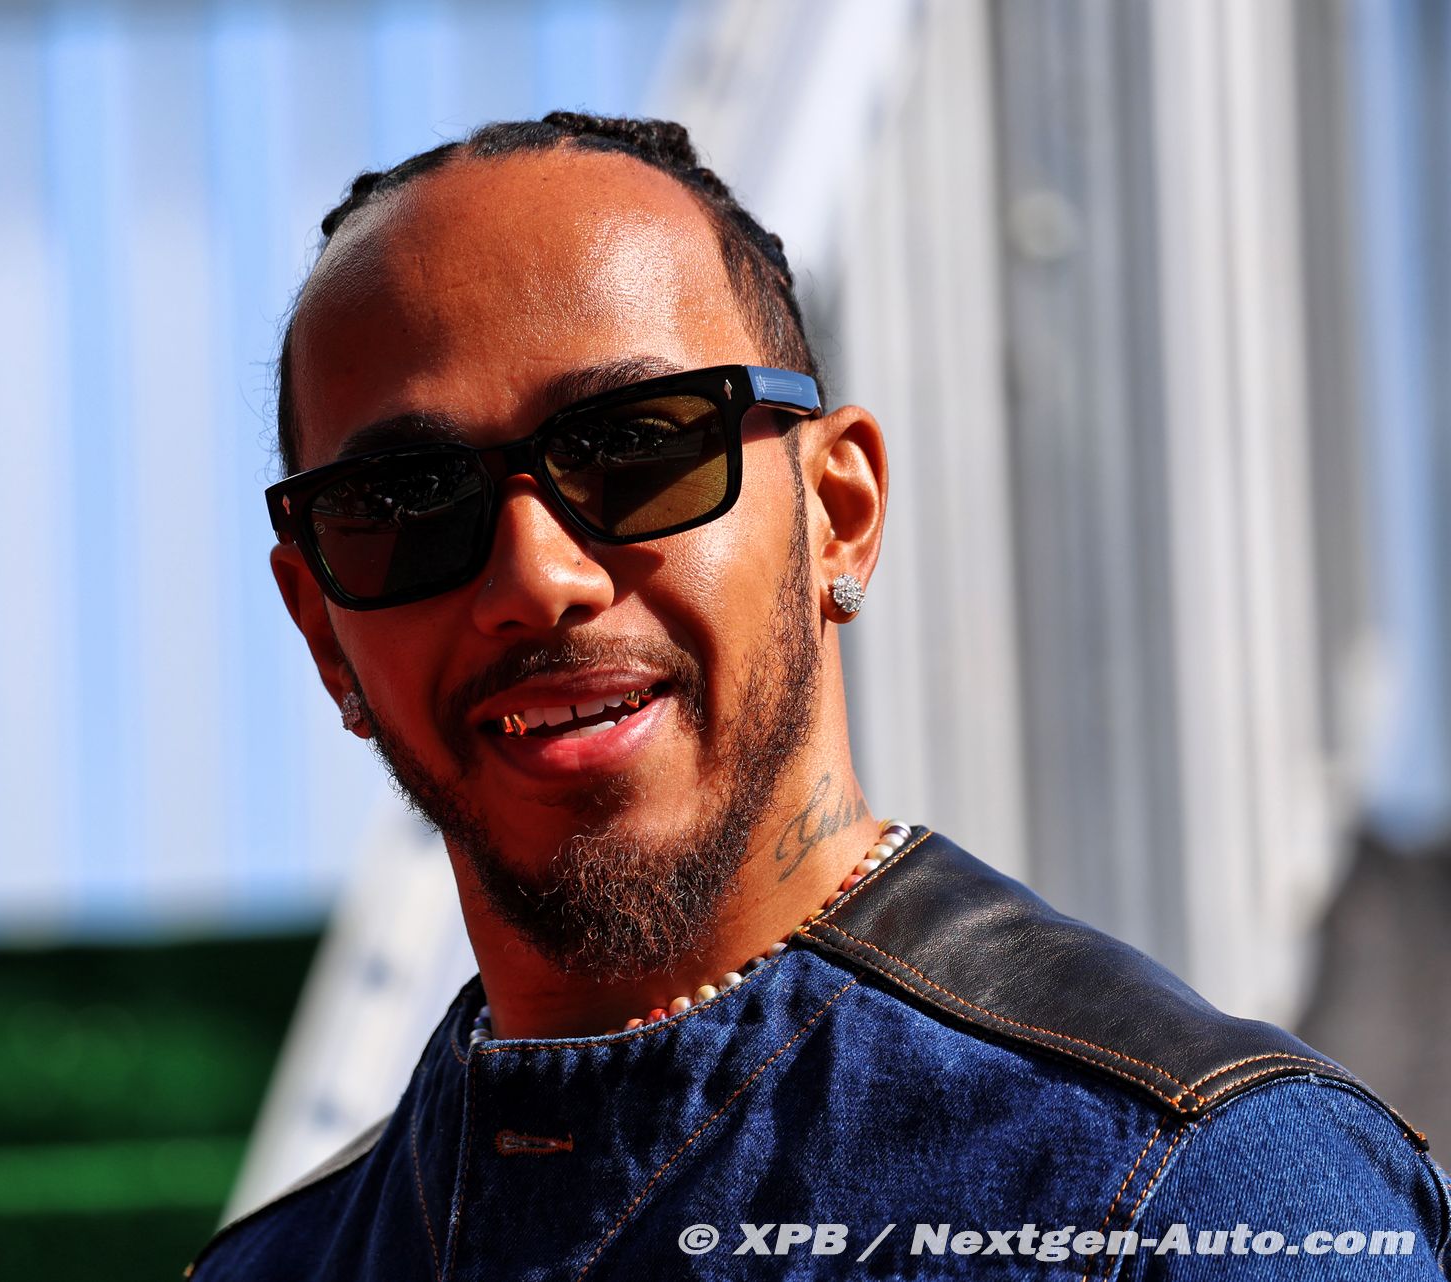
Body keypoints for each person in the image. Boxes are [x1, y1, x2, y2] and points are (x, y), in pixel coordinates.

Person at [189, 113, 1450, 1280]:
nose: (535, 578)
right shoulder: (279, 1265)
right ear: (322, 633)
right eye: (404, 505)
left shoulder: (1192, 1190)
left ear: (838, 513)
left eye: (635, 444)